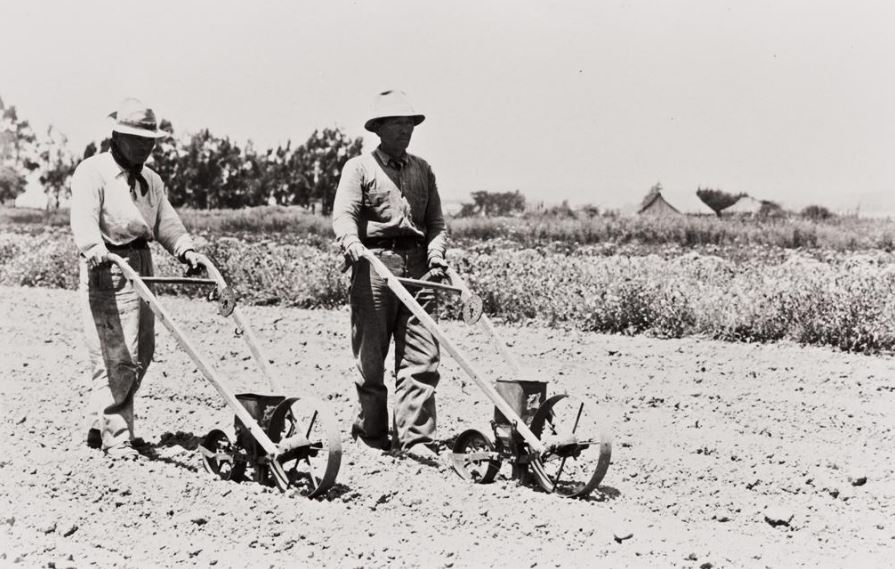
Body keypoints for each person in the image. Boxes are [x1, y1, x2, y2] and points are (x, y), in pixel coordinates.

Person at [70, 97, 201, 459]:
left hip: (142, 263)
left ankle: (102, 424)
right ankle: (117, 435)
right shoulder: (92, 172)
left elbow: (166, 222)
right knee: (117, 355)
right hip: (107, 265)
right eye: (139, 139)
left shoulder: (151, 181)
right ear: (118, 136)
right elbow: (83, 218)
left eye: (151, 141)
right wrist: (93, 248)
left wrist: (186, 251)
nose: (147, 147)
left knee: (143, 350)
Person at [332, 90, 447, 460]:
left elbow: (436, 223)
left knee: (422, 356)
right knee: (371, 357)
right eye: (397, 123)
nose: (405, 130)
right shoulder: (359, 168)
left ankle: (416, 440)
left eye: (410, 123)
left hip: (418, 268)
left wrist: (437, 255)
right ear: (379, 128)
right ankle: (372, 434)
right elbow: (344, 214)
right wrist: (351, 242)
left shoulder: (423, 170)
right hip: (374, 266)